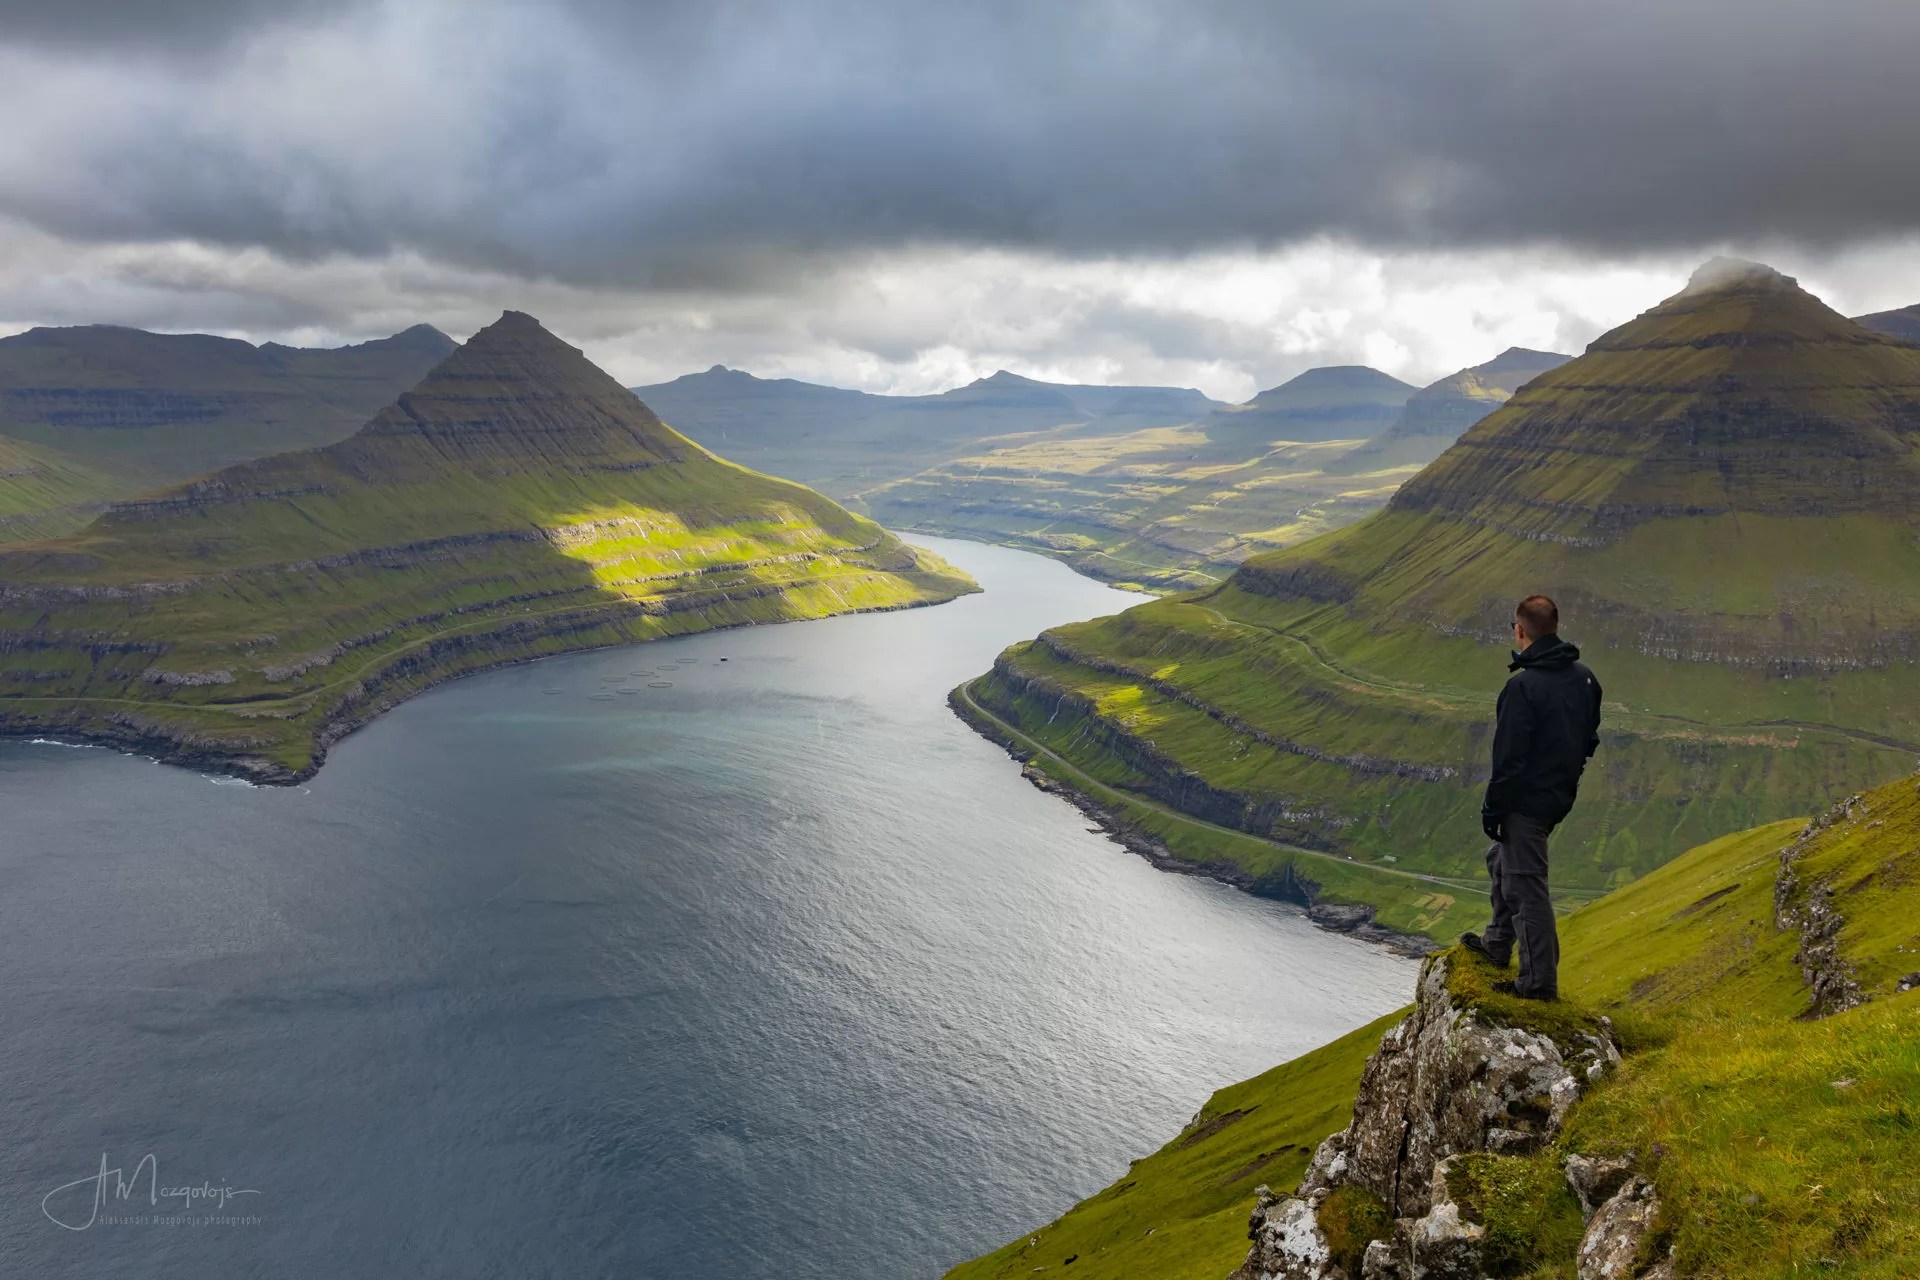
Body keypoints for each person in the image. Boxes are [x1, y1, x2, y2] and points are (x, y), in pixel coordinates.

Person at [1461, 595, 1602, 1000]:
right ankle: (1496, 943)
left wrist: (1493, 809)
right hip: (1557, 795)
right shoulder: (1585, 678)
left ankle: (1538, 984)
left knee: (1526, 886)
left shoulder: (1522, 687)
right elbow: (1589, 738)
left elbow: (1508, 759)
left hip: (1527, 801)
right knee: (1500, 859)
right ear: (1555, 627)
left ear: (1520, 630)